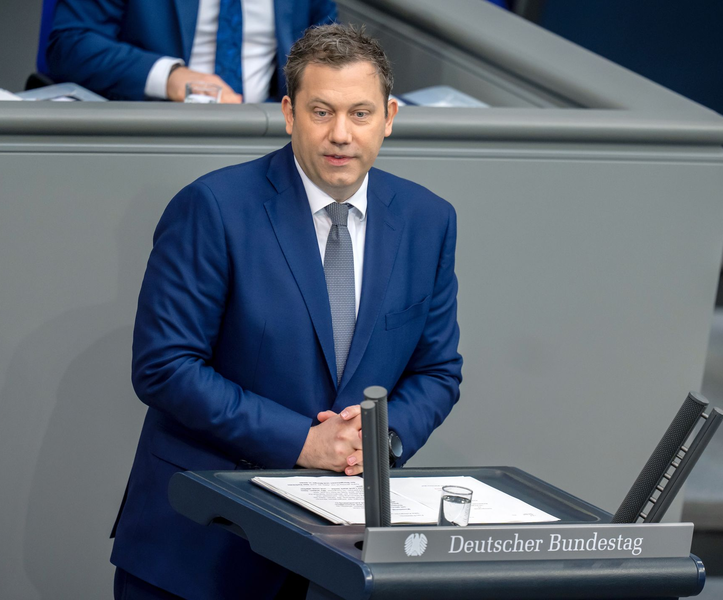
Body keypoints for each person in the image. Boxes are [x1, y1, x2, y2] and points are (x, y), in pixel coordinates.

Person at [110, 23, 463, 600]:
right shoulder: (214, 207)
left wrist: (380, 440)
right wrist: (303, 441)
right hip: (200, 550)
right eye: (321, 111)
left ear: (389, 117)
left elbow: (438, 370)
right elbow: (165, 367)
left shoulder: (429, 219)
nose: (341, 134)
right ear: (289, 112)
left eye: (360, 113)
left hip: (337, 559)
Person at [46, 0, 337, 102]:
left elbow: (325, 50)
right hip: (155, 134)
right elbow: (70, 44)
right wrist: (169, 77)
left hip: (271, 138)